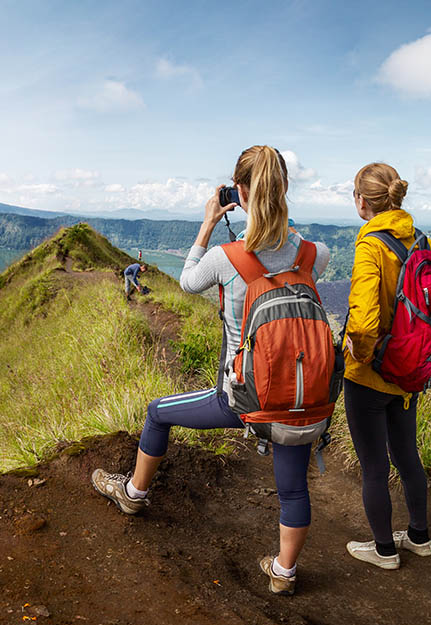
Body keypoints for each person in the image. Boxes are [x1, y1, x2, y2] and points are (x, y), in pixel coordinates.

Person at [92, 145, 330, 595]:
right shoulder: (315, 255)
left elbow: (187, 281)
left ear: (239, 193)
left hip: (242, 396)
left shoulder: (226, 257)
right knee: (293, 488)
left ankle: (134, 495)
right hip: (300, 398)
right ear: (284, 192)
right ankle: (283, 572)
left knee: (157, 411)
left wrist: (207, 221)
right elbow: (291, 249)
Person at [343, 162, 431, 569]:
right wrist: (420, 325)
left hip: (371, 375)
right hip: (409, 370)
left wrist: (360, 356)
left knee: (374, 467)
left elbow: (363, 320)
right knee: (407, 456)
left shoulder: (370, 246)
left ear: (361, 201)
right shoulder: (417, 240)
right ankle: (418, 537)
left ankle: (384, 550)